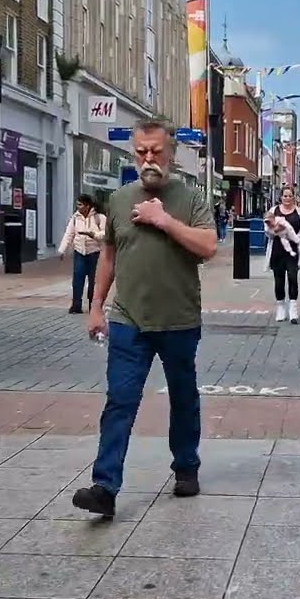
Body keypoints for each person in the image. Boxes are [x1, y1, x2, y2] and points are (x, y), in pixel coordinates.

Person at [74, 119, 218, 517]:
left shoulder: (191, 198)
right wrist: (96, 305)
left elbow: (208, 246)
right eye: (141, 152)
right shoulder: (119, 200)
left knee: (183, 397)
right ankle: (104, 486)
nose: (148, 159)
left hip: (178, 319)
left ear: (171, 153)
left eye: (156, 151)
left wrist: (164, 221)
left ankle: (186, 467)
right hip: (128, 319)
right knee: (120, 400)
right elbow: (109, 255)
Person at [264, 186, 300, 323]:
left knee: (292, 277)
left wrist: (295, 237)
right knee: (279, 280)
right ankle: (280, 308)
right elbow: (267, 229)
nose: (287, 198)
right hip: (277, 249)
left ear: (294, 197)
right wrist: (276, 232)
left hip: (293, 251)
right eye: (285, 196)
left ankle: (293, 308)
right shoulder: (273, 211)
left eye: (290, 196)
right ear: (281, 197)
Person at [58, 193, 107, 314]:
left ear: (87, 205)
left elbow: (106, 234)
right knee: (77, 280)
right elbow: (69, 234)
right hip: (79, 252)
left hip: (94, 253)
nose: (77, 207)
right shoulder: (75, 218)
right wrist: (62, 250)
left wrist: (94, 235)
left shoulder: (99, 217)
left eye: (80, 204)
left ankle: (93, 306)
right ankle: (76, 305)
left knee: (93, 281)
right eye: (77, 204)